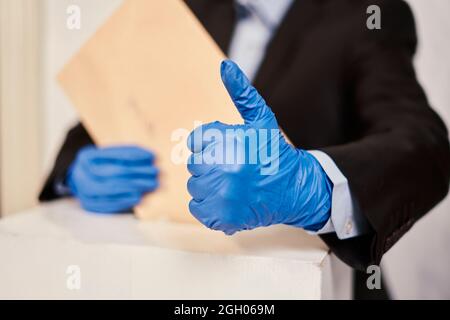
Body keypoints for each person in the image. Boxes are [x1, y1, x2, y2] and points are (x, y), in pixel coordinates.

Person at [40, 0, 450, 299]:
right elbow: (98, 116)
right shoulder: (186, 10)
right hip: (169, 277)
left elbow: (422, 142)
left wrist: (317, 187)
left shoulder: (365, 14)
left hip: (312, 286)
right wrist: (74, 171)